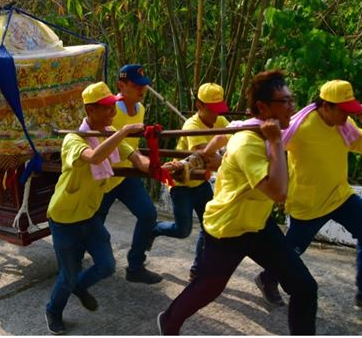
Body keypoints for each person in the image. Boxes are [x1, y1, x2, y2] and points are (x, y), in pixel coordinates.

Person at [156, 70, 317, 336]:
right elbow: (278, 192)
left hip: (257, 223)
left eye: (292, 100)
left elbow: (222, 134)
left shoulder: (251, 126)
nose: (292, 107)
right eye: (285, 102)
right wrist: (276, 143)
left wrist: (209, 154)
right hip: (229, 227)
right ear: (263, 107)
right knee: (209, 286)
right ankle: (169, 321)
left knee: (304, 286)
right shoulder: (248, 143)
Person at [254, 80, 362, 310]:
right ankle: (267, 279)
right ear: (326, 106)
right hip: (308, 203)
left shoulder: (344, 125)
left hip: (340, 196)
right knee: (291, 254)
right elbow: (267, 144)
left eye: (350, 111)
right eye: (343, 110)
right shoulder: (300, 127)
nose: (347, 116)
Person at [45, 82, 150, 335]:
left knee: (107, 265)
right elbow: (94, 157)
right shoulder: (73, 139)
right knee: (67, 276)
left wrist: (163, 168)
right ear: (90, 110)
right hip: (64, 219)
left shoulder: (109, 132)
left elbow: (136, 158)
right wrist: (124, 131)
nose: (112, 114)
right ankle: (53, 310)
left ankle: (79, 287)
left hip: (89, 215)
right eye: (107, 109)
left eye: (113, 108)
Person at [149, 83, 229, 281]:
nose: (215, 115)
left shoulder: (221, 120)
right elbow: (207, 156)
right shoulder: (191, 126)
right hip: (182, 185)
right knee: (182, 230)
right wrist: (225, 153)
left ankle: (197, 268)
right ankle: (155, 228)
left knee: (209, 226)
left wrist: (224, 152)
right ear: (199, 105)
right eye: (212, 109)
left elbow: (232, 143)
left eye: (219, 109)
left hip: (200, 183)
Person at [95, 64, 161, 284]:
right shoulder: (108, 111)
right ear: (121, 85)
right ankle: (76, 264)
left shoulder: (140, 110)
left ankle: (135, 265)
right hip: (104, 177)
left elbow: (133, 145)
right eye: (136, 85)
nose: (142, 89)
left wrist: (149, 163)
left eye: (144, 85)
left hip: (126, 175)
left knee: (148, 214)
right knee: (94, 223)